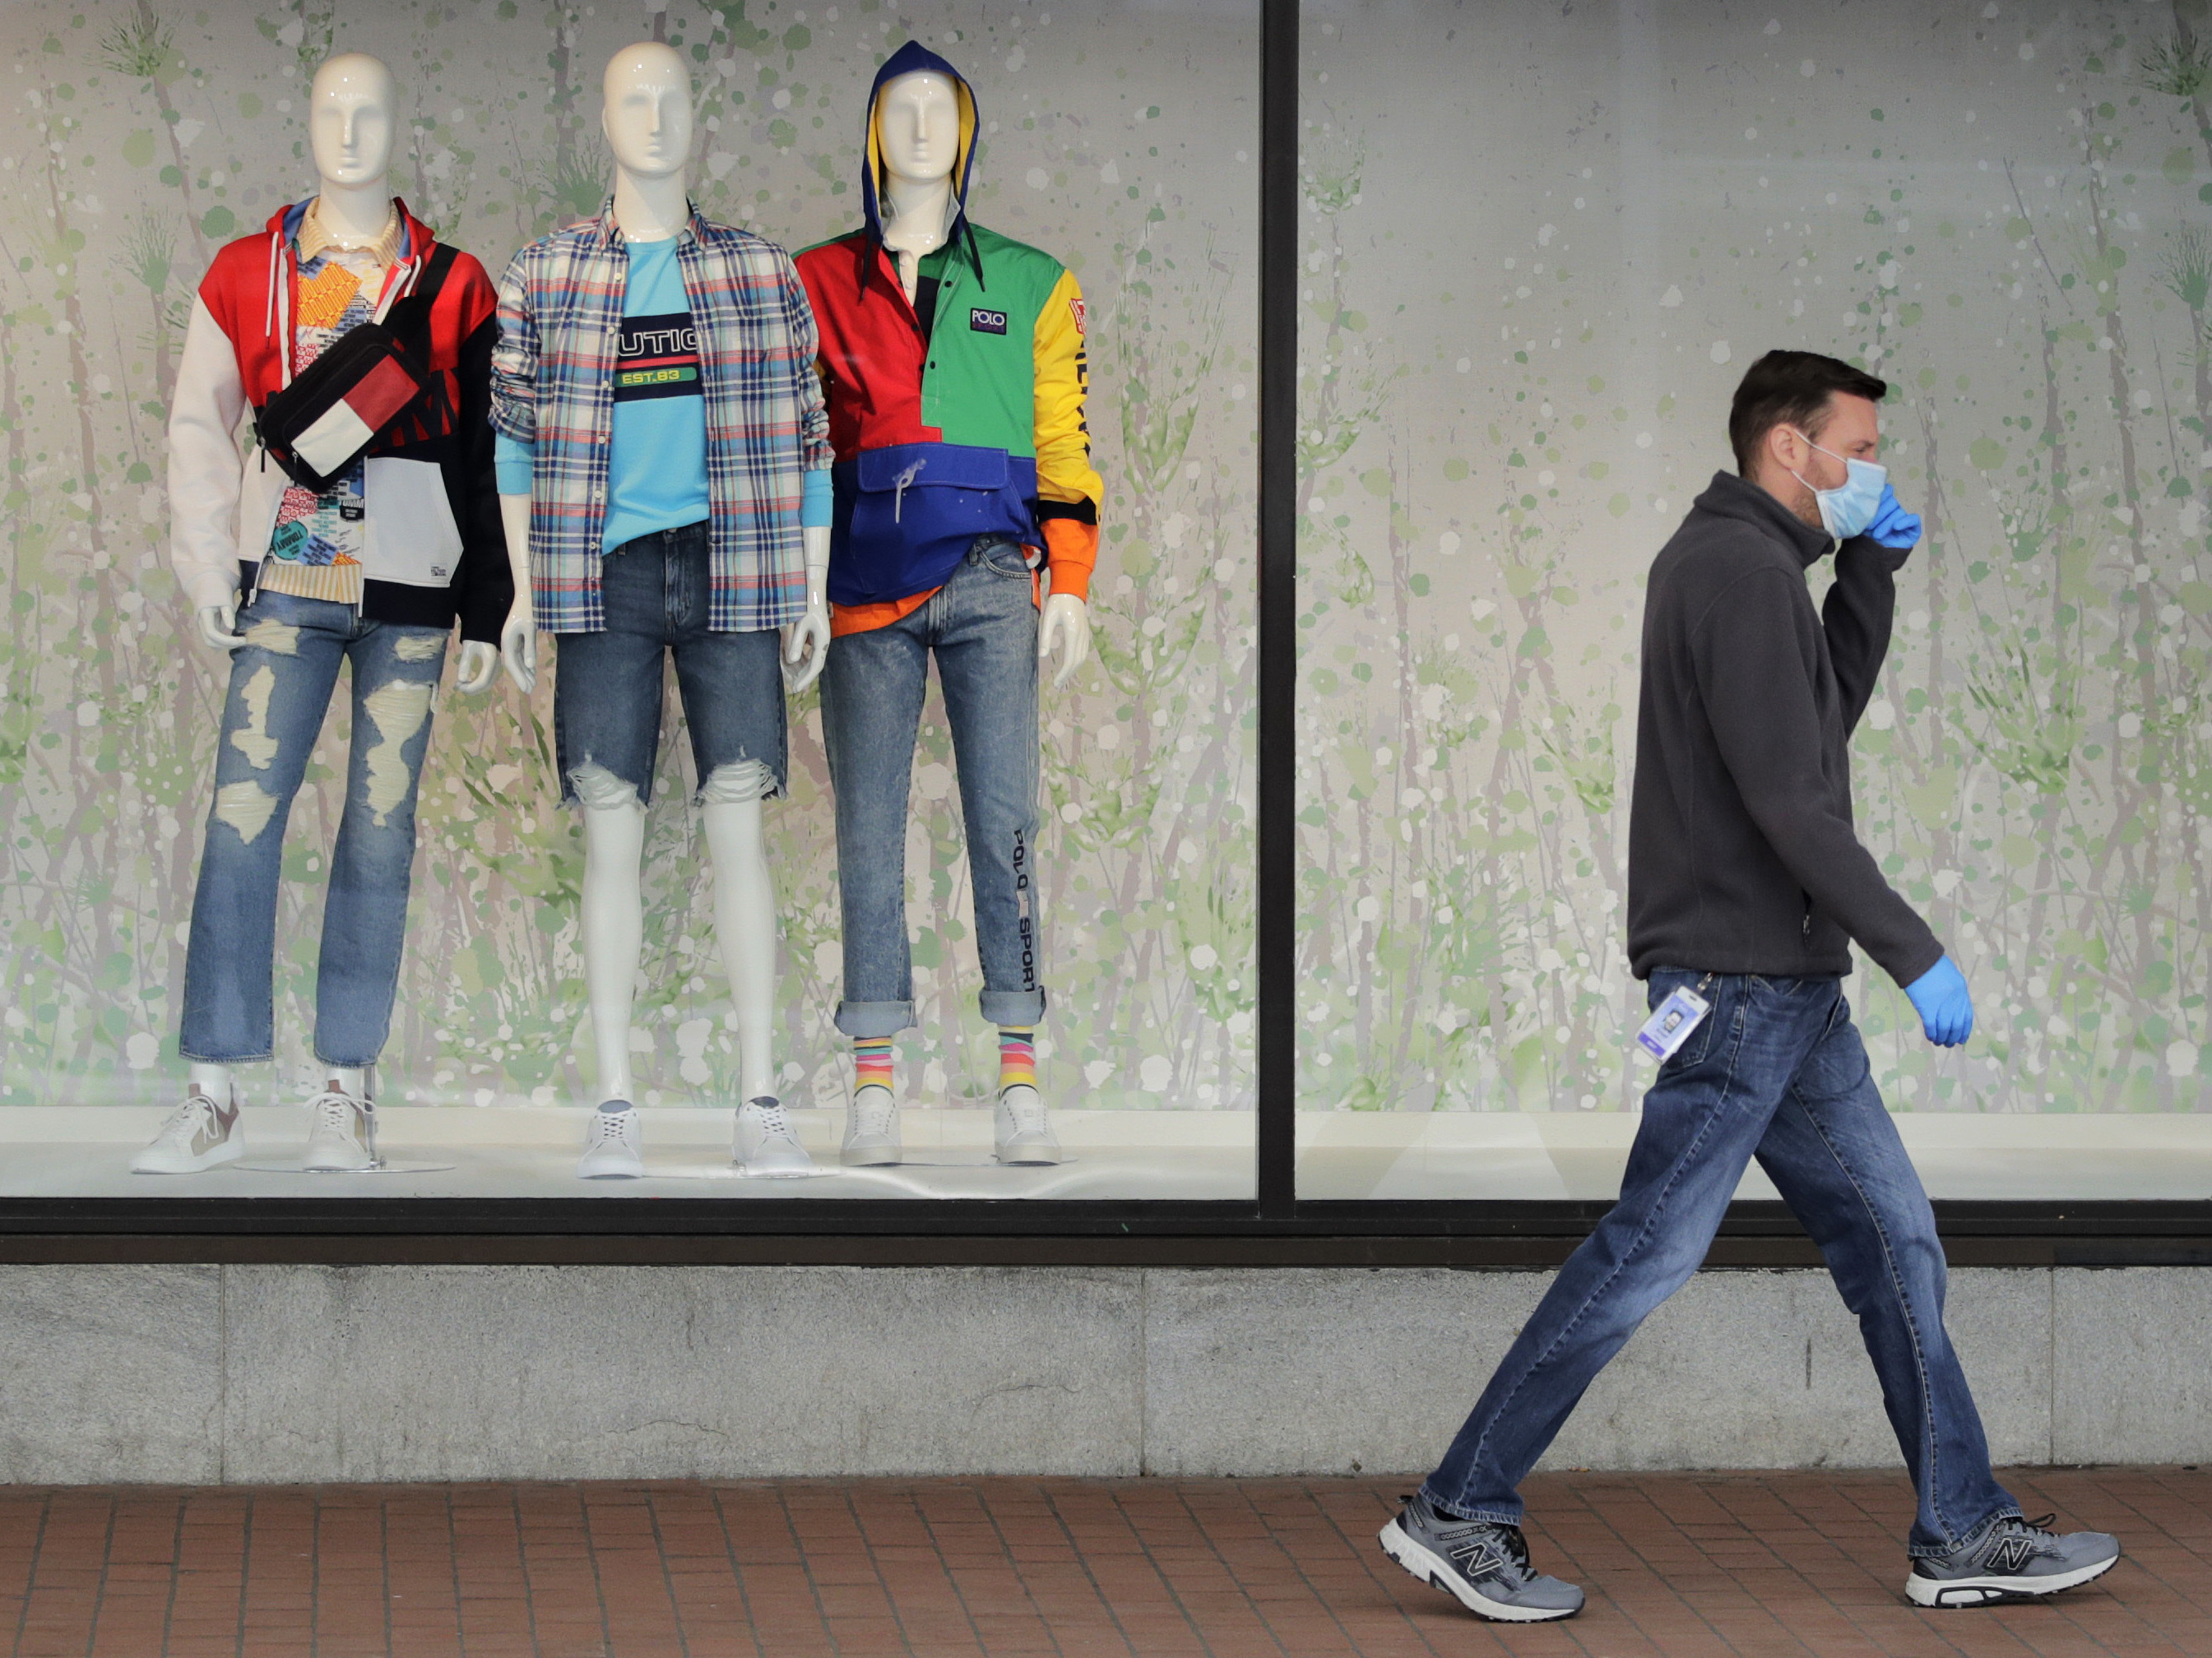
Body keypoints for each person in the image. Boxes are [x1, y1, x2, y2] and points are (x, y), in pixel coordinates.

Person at [1378, 351, 2122, 1622]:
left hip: (1780, 985)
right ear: (1790, 448)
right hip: (1739, 983)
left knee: (1894, 1239)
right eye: (1859, 445)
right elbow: (1791, 801)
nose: (1871, 468)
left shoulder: (1756, 571)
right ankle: (1460, 1507)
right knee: (1646, 1255)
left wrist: (1869, 571)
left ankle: (1959, 1527)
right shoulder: (1732, 571)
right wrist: (1913, 948)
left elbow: (1810, 728)